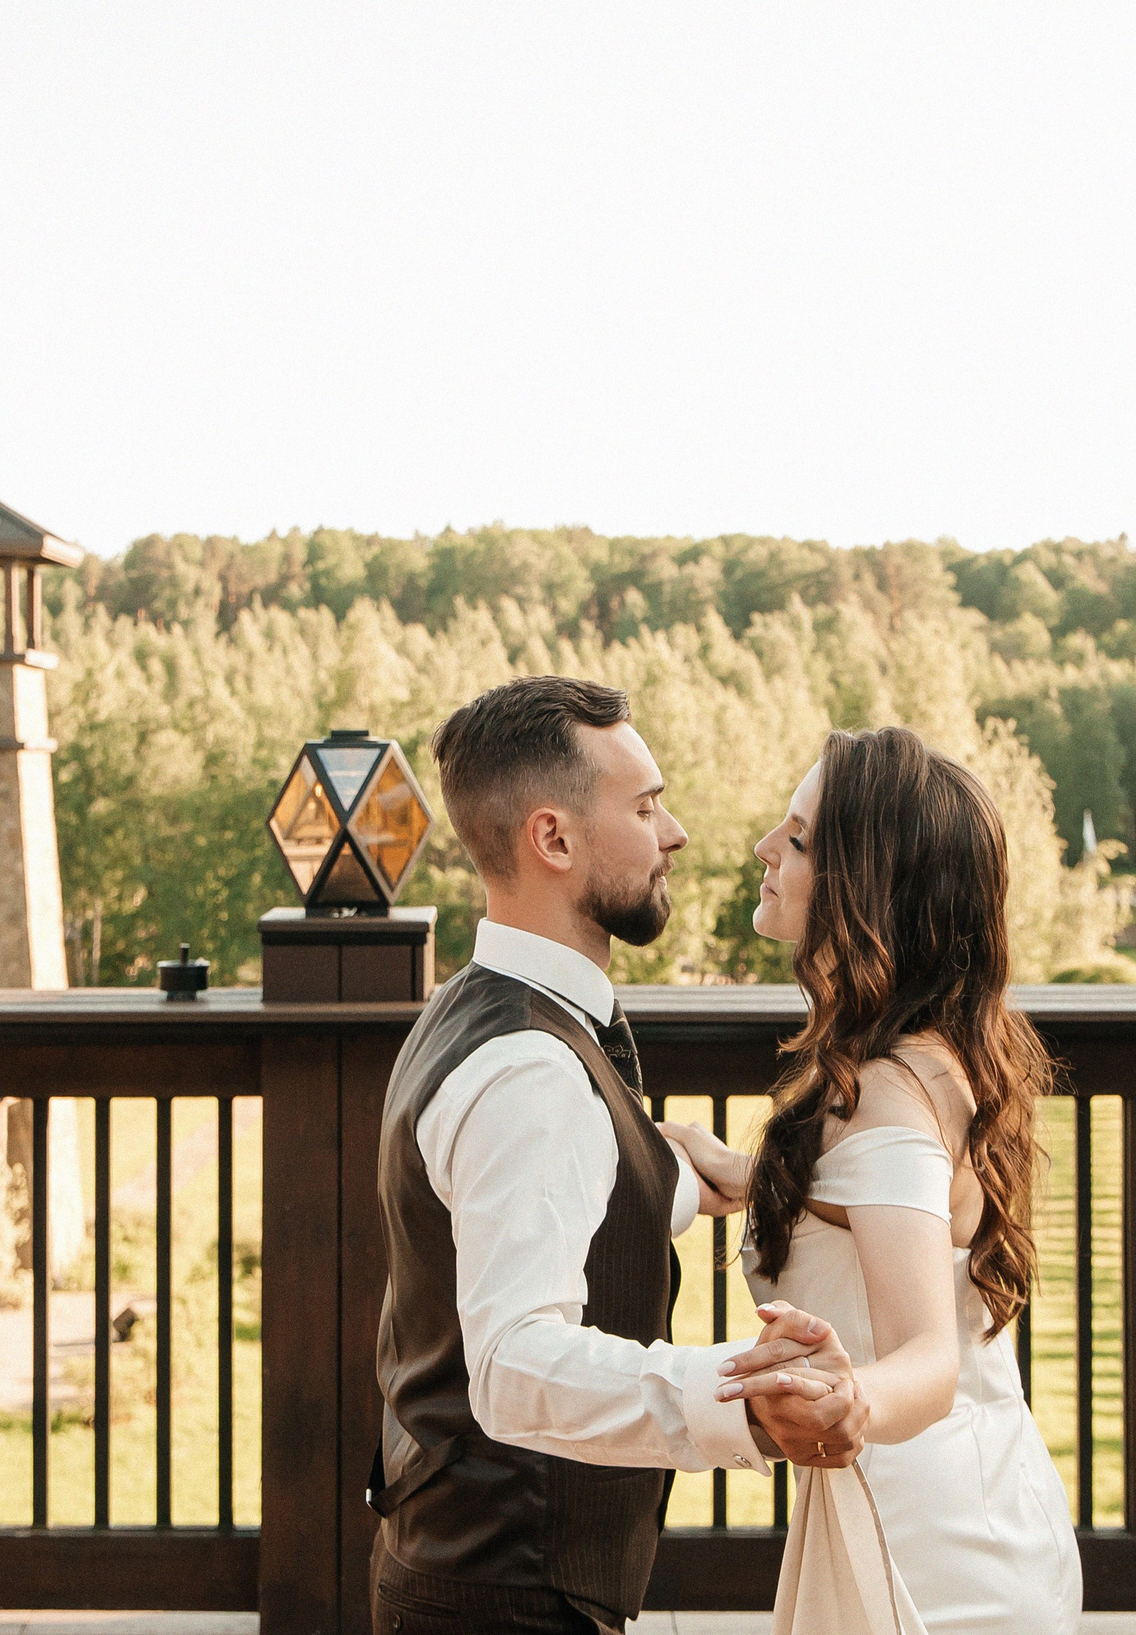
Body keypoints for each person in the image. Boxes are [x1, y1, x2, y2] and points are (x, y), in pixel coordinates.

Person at [371, 674, 864, 1635]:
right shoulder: (529, 1070)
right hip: (504, 1601)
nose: (673, 830)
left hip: (468, 1571)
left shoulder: (477, 1010)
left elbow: (554, 1195)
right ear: (553, 839)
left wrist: (685, 1181)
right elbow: (513, 1362)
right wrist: (748, 1404)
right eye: (644, 806)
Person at [663, 726, 1084, 1635]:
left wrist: (855, 1399)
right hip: (948, 1506)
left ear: (870, 888)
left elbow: (928, 1355)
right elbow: (873, 1209)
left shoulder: (889, 1094)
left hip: (932, 1560)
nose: (764, 851)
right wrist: (749, 1175)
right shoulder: (904, 1064)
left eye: (800, 837)